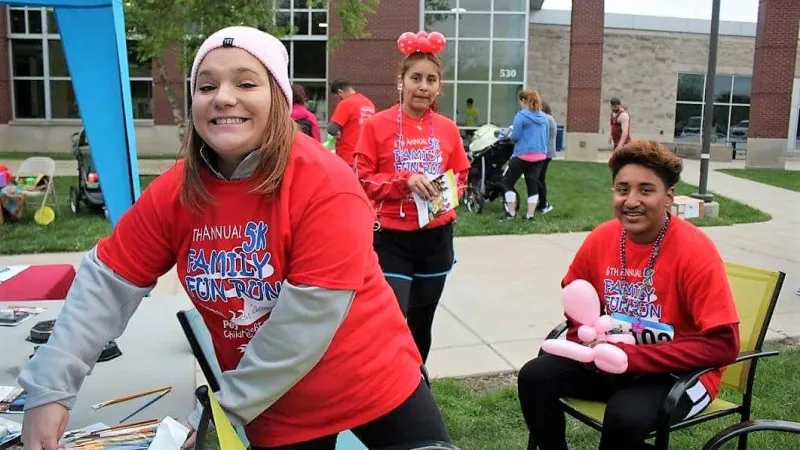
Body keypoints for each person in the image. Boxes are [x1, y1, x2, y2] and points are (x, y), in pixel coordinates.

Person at [17, 26, 452, 450]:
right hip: (276, 410)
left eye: (246, 82)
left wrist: (223, 409)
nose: (223, 97)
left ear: (279, 99)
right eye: (206, 86)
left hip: (375, 384)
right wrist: (51, 389)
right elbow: (106, 284)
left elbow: (304, 324)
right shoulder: (177, 191)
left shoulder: (327, 184)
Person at [517, 140, 741, 450]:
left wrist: (634, 357)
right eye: (623, 189)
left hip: (680, 375)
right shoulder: (602, 238)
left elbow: (724, 345)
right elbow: (576, 300)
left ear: (668, 198)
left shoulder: (695, 251)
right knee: (535, 377)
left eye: (646, 190)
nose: (631, 201)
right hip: (613, 359)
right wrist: (586, 338)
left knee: (624, 416)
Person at [353, 31, 470, 364]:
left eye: (431, 79)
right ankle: (387, 384)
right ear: (401, 81)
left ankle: (418, 381)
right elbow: (361, 179)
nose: (423, 86)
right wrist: (404, 181)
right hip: (392, 239)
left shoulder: (448, 128)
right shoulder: (377, 125)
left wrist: (448, 195)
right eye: (416, 77)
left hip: (436, 238)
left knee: (422, 322)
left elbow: (461, 176)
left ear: (438, 86)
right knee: (390, 321)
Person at [502, 89, 550, 221]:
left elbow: (515, 136)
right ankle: (530, 215)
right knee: (532, 184)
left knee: (507, 182)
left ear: (524, 101)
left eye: (521, 102)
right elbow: (545, 136)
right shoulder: (544, 118)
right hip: (540, 156)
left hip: (523, 155)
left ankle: (511, 213)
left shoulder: (521, 116)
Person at [328, 79, 375, 167]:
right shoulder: (369, 103)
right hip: (365, 155)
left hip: (347, 155)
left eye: (337, 97)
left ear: (340, 92)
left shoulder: (346, 103)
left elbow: (332, 129)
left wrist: (338, 134)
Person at [536, 101, 556, 215]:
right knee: (540, 178)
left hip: (545, 153)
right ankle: (542, 203)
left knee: (538, 178)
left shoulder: (546, 119)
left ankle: (544, 204)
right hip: (547, 153)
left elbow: (543, 136)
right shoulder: (549, 118)